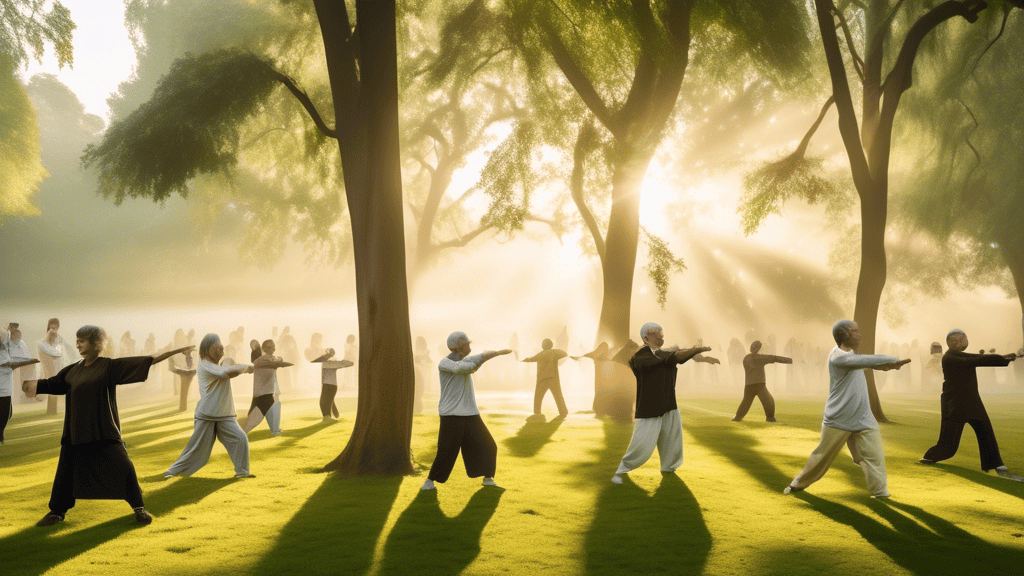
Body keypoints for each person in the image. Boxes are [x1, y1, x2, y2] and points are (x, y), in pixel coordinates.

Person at [21, 325, 192, 526]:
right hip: (75, 432)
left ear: (96, 344)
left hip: (103, 430)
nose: (78, 343)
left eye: (82, 340)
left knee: (124, 467)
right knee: (66, 474)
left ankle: (139, 508)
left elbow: (149, 359)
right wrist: (32, 385)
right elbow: (52, 384)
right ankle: (57, 512)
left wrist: (176, 350)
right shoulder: (72, 370)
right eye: (77, 340)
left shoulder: (109, 367)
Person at [784, 320, 909, 498]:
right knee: (821, 457)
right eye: (855, 331)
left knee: (875, 458)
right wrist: (891, 360)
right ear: (845, 335)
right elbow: (863, 360)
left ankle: (881, 494)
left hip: (863, 418)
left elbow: (864, 363)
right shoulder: (838, 357)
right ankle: (797, 485)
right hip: (839, 418)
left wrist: (884, 366)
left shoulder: (850, 355)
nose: (859, 334)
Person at [610, 322, 709, 485]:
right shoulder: (641, 356)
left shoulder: (662, 354)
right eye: (655, 332)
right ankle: (622, 469)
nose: (660, 334)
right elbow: (675, 356)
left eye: (660, 331)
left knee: (672, 442)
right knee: (641, 446)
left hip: (669, 405)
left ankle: (668, 467)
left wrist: (694, 352)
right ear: (646, 337)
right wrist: (697, 349)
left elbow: (676, 356)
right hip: (650, 408)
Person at [918, 330, 1023, 481]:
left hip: (972, 402)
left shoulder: (959, 356)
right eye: (961, 339)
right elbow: (976, 359)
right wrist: (1005, 357)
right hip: (955, 405)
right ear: (954, 342)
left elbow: (978, 359)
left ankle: (996, 464)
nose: (963, 342)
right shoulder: (951, 356)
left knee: (985, 431)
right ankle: (929, 457)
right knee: (948, 447)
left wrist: (1006, 357)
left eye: (963, 339)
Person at [421, 332, 511, 491]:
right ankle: (430, 481)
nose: (469, 347)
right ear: (456, 347)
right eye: (465, 344)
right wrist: (481, 360)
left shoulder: (466, 360)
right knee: (446, 451)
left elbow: (476, 359)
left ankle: (488, 478)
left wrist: (495, 353)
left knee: (489, 445)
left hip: (470, 413)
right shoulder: (445, 363)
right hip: (451, 415)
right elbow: (462, 368)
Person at [165, 334, 255, 479]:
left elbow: (228, 371)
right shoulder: (205, 365)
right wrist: (248, 367)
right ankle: (172, 472)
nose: (221, 348)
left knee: (240, 439)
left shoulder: (215, 365)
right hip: (207, 414)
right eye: (217, 346)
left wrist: (243, 368)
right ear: (207, 349)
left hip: (225, 414)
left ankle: (242, 473)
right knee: (198, 452)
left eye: (221, 346)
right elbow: (225, 372)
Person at [732, 340, 791, 422]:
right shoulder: (758, 358)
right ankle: (770, 418)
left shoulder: (747, 358)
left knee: (747, 402)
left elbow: (772, 358)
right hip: (759, 385)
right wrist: (789, 360)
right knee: (768, 401)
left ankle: (738, 417)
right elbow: (774, 358)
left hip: (749, 385)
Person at [242, 340, 292, 435]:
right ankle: (241, 433)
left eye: (273, 346)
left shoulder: (272, 359)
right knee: (255, 416)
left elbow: (278, 359)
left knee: (275, 405)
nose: (273, 349)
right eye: (270, 347)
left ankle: (275, 430)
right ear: (264, 349)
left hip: (273, 389)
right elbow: (263, 361)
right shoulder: (260, 360)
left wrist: (278, 359)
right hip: (262, 392)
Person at [2, 326, 39, 444]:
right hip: (2, 386)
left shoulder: (7, 349)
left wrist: (29, 360)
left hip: (6, 388)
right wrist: (28, 361)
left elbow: (15, 359)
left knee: (8, 414)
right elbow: (9, 363)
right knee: (3, 415)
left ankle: (0, 435)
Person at [522, 339, 569, 419]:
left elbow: (531, 359)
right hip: (553, 378)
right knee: (558, 396)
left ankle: (537, 412)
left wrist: (525, 359)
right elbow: (564, 354)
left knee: (538, 397)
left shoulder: (540, 354)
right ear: (550, 345)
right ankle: (563, 411)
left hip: (542, 379)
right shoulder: (554, 352)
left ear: (543, 346)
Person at [309, 347, 352, 420]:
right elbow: (323, 376)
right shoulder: (325, 364)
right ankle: (327, 417)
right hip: (326, 385)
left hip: (331, 385)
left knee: (325, 402)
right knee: (323, 402)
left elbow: (347, 364)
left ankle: (328, 417)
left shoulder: (331, 363)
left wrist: (340, 362)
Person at [38, 318, 69, 414]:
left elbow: (61, 351)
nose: (54, 328)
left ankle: (54, 409)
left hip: (58, 364)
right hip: (50, 364)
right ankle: (52, 410)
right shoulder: (47, 337)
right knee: (52, 386)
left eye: (56, 326)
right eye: (52, 326)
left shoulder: (59, 338)